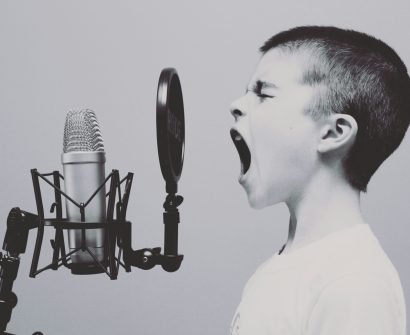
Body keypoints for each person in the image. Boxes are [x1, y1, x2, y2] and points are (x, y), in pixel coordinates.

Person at [229, 26, 409, 335]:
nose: (237, 105)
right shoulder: (282, 268)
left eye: (263, 93)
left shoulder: (354, 284)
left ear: (333, 132)